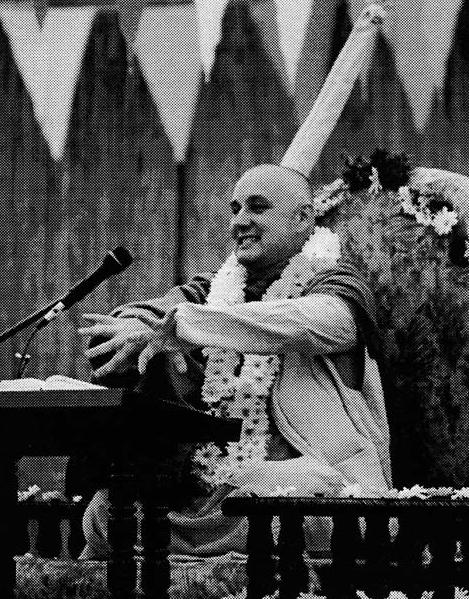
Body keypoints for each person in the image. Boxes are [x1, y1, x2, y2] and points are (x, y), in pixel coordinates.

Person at [78, 164, 391, 559]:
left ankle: (199, 551)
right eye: (236, 208)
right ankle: (199, 550)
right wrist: (133, 327)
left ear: (303, 219)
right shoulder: (216, 290)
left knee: (272, 505)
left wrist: (189, 326)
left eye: (257, 208)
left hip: (317, 487)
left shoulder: (338, 282)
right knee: (106, 512)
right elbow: (155, 314)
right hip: (215, 487)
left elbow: (320, 322)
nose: (240, 221)